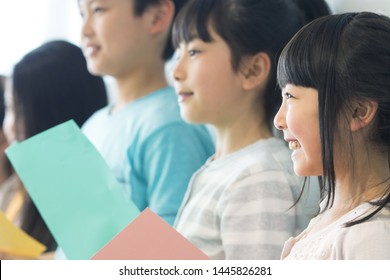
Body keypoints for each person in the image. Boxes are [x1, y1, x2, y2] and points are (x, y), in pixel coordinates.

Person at [172, 0, 318, 260]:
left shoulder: (258, 177)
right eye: (178, 52)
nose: (176, 72)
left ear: (253, 69)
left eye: (194, 52)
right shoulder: (232, 168)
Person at [78, 0, 214, 226]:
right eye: (82, 14)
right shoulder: (94, 124)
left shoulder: (171, 125)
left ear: (157, 17)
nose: (84, 30)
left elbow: (170, 250)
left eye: (98, 10)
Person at [274, 12, 390, 259]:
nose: (279, 120)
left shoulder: (371, 236)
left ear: (357, 112)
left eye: (291, 97)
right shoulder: (330, 217)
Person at [0, 40, 108, 257]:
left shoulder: (88, 199)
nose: (10, 125)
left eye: (19, 111)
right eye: (10, 108)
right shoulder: (16, 189)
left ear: (53, 115)